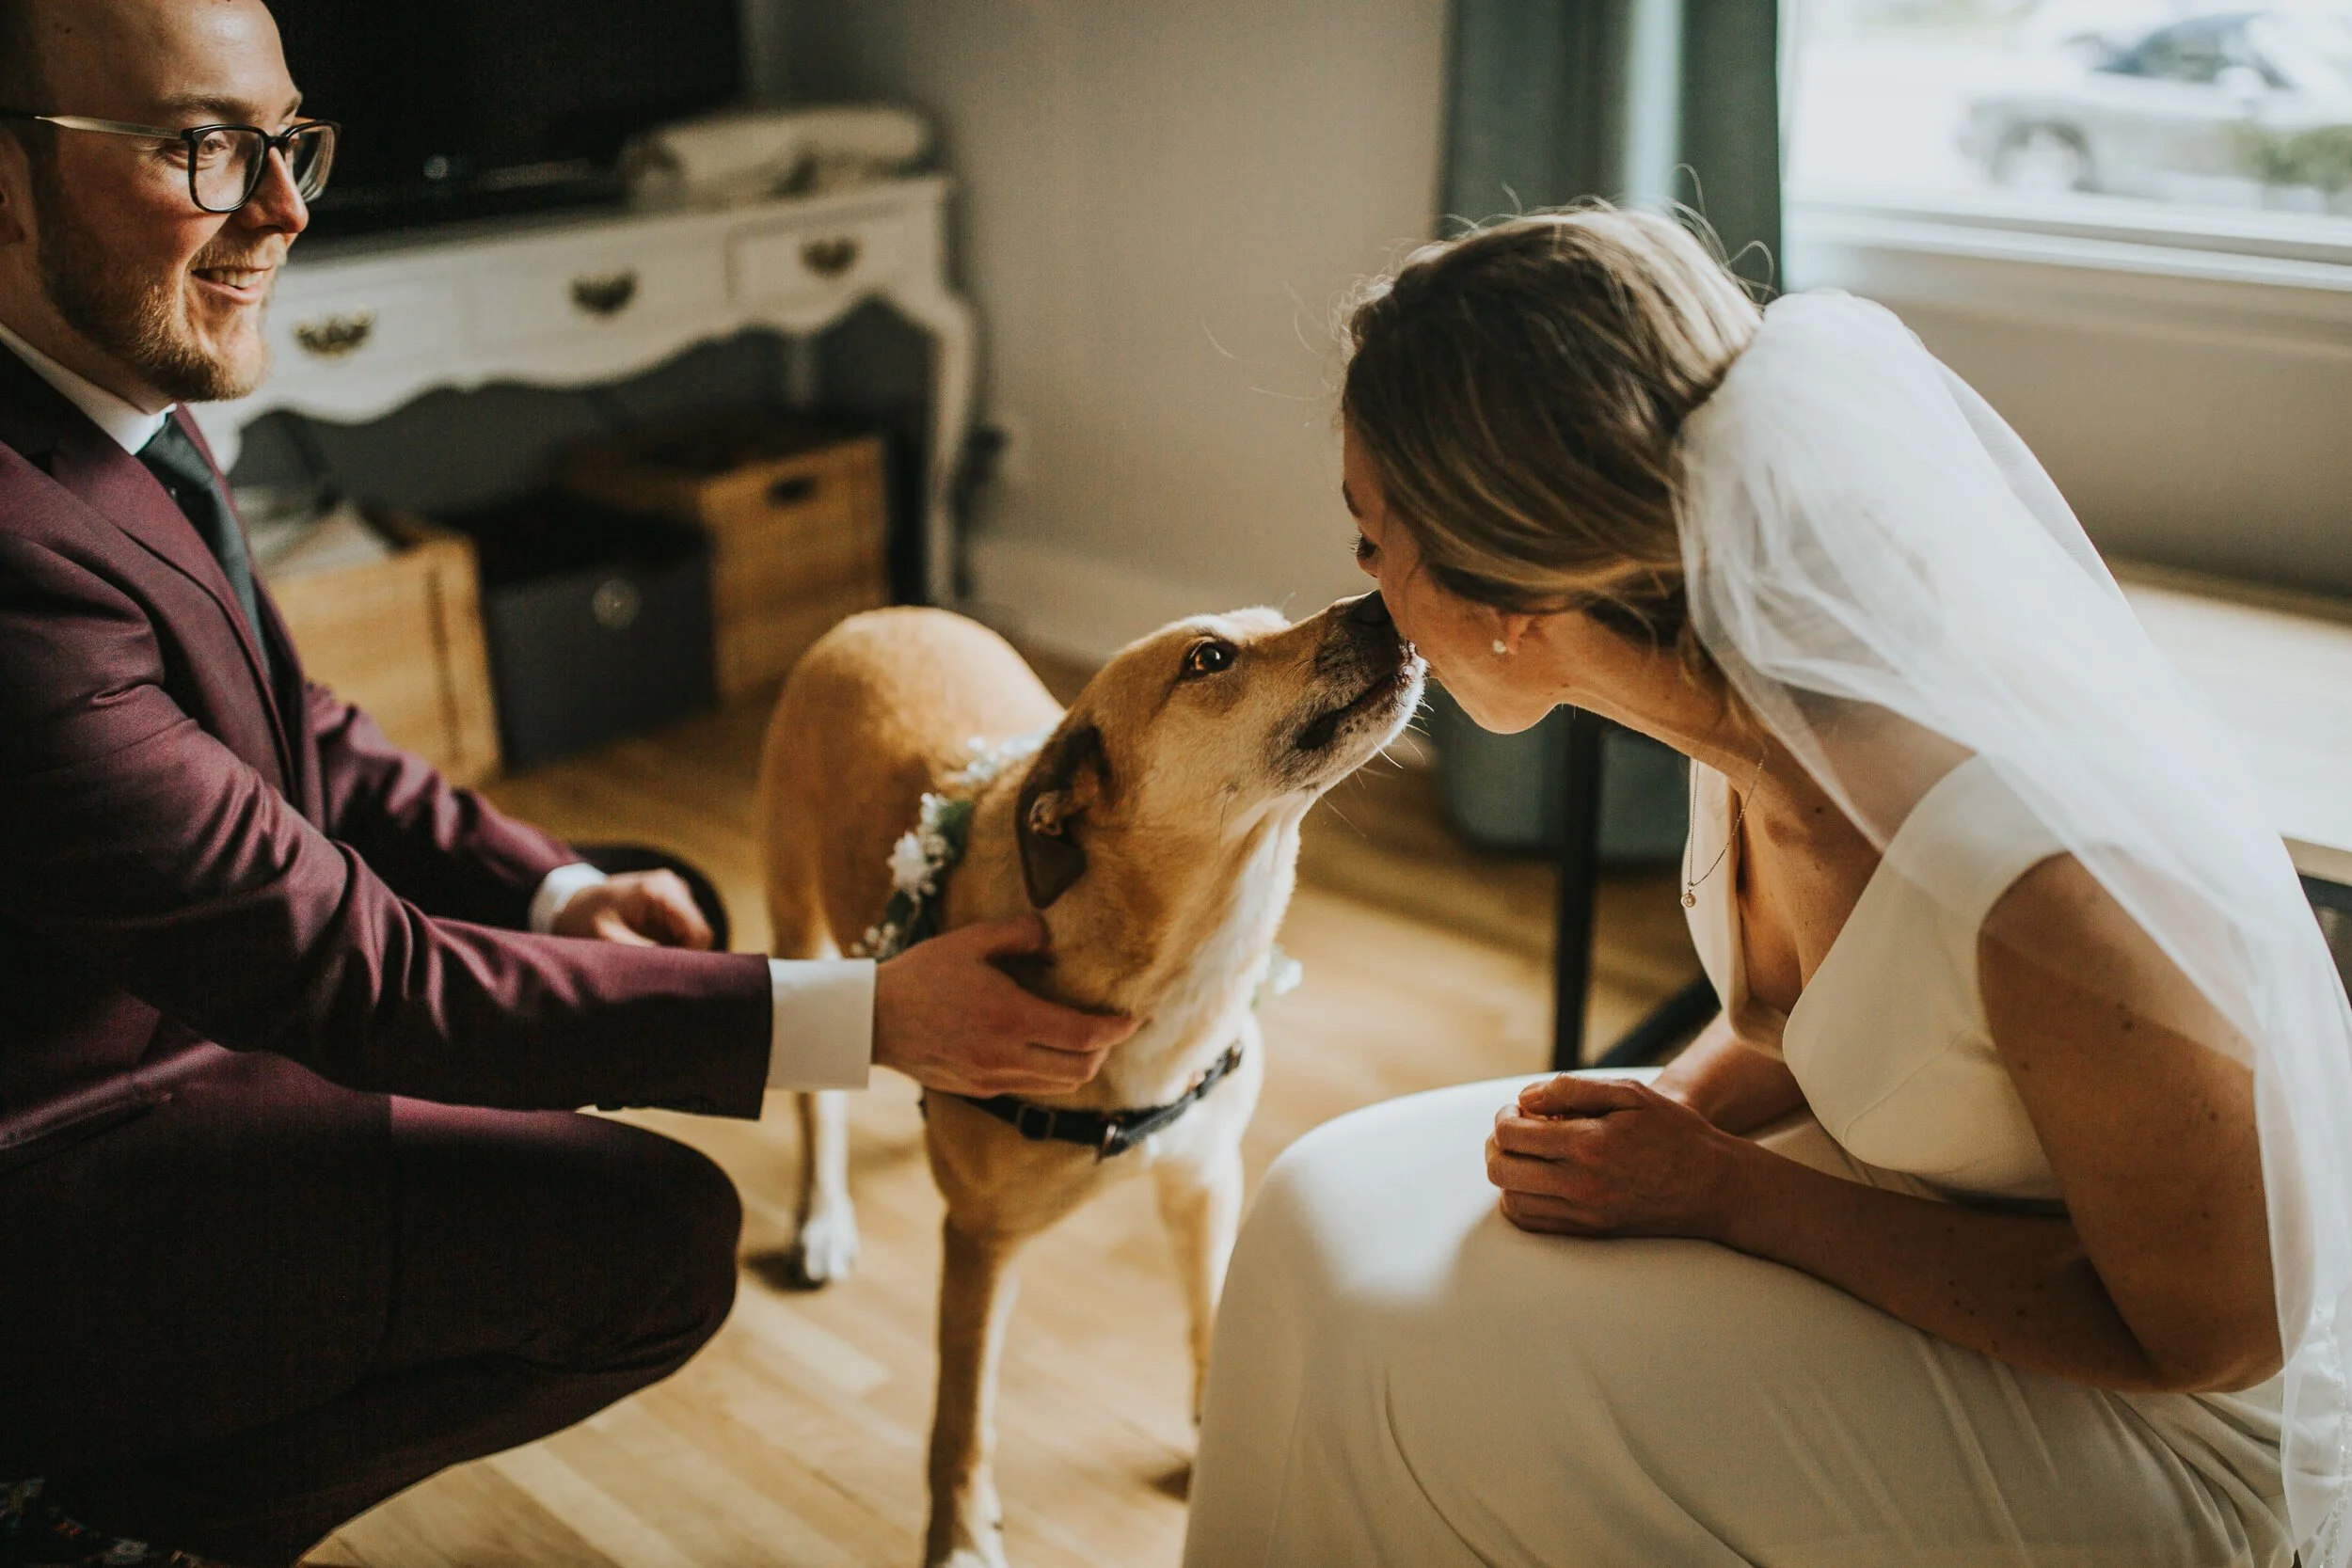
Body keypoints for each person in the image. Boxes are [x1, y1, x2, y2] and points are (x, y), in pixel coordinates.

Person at [0, 4, 1136, 1566]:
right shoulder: (11, 561)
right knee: (658, 1242)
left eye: (286, 138)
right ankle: (101, 1517)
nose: (283, 206)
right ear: (8, 177)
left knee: (625, 884)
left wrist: (548, 880)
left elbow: (297, 722)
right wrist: (861, 1018)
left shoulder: (102, 385)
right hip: (69, 1169)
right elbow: (343, 966)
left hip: (188, 1011)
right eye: (202, 148)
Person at [1184, 208, 2352, 1567]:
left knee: (1421, 1362)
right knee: (1309, 1216)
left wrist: (1729, 1190)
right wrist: (1678, 1104)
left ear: (1510, 596)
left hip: (2166, 1427)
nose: (1371, 593)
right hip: (1907, 1202)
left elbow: (2215, 1331)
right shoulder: (1730, 680)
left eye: (1375, 545)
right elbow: (1836, 1020)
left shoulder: (2039, 872)